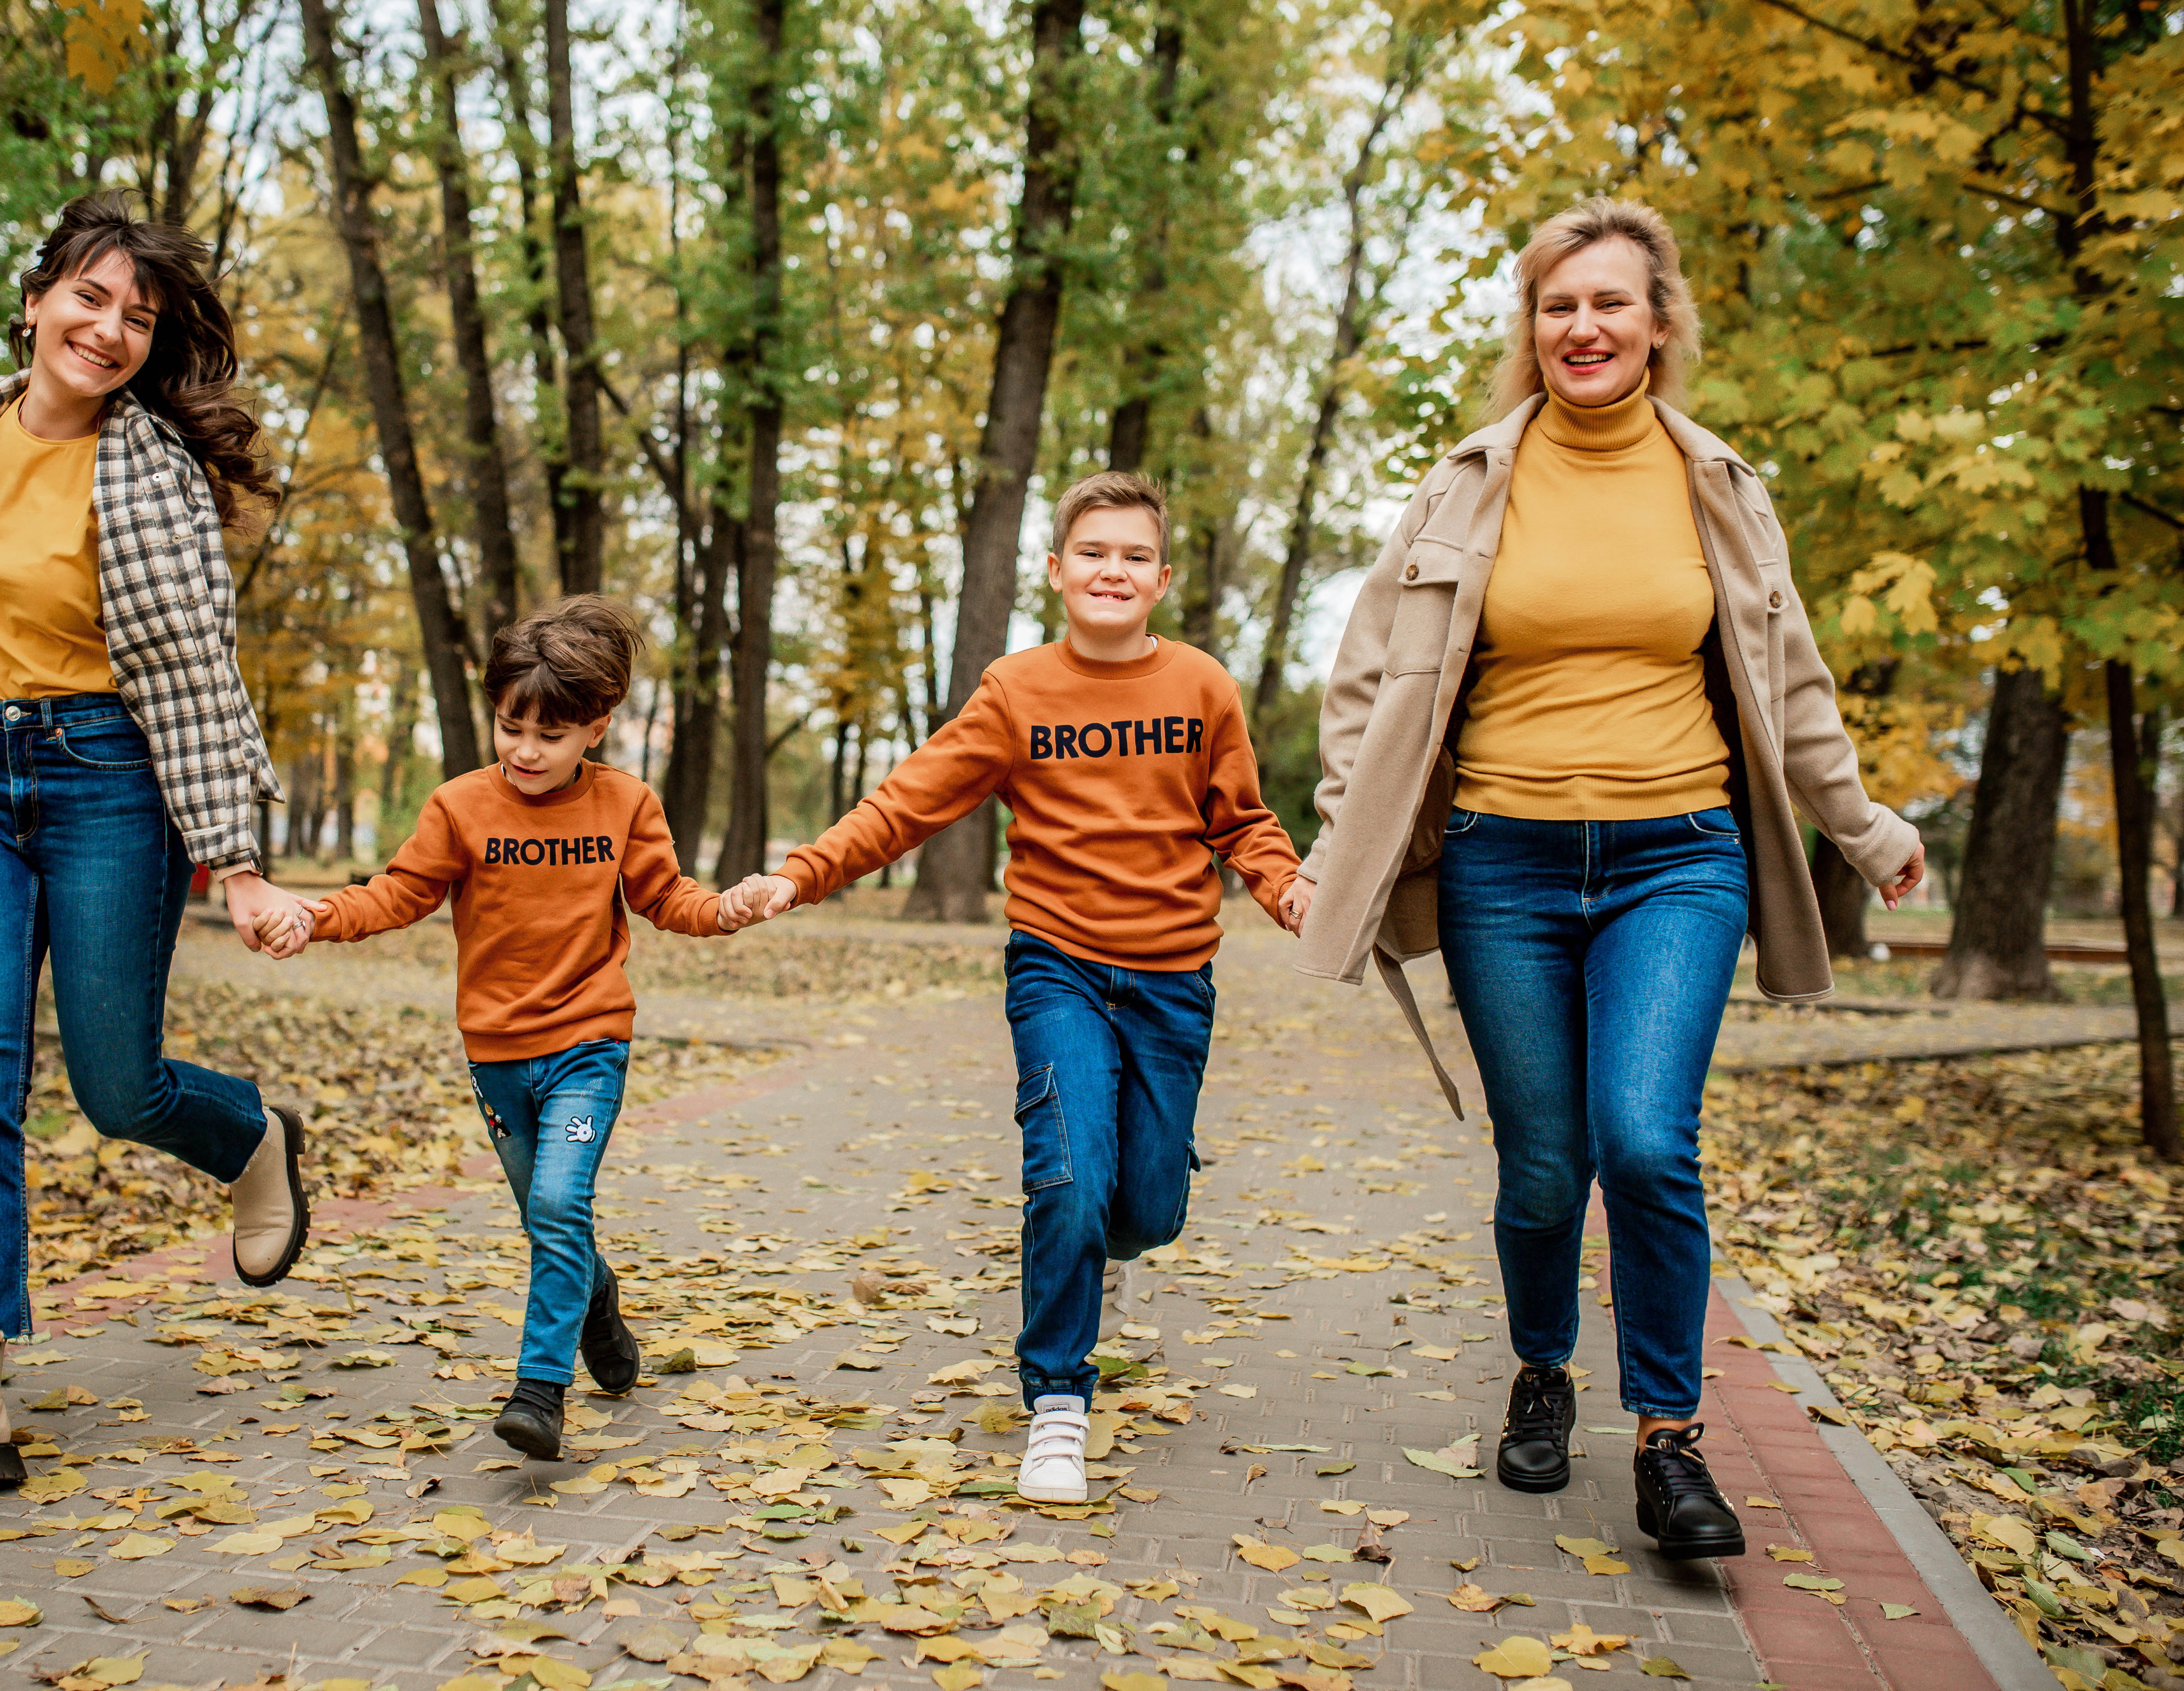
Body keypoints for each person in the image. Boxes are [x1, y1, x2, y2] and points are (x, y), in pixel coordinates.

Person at [1292, 197, 1926, 1559]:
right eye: (1557, 305)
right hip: (1501, 864)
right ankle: (1540, 1369)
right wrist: (1349, 829)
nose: (1583, 327)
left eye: (1610, 303)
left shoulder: (1718, 486)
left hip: (1677, 857)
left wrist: (1864, 827)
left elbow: (1789, 678)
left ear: (1659, 323)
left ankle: (1669, 1441)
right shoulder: (1468, 482)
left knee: (1646, 1141)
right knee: (1542, 1168)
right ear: (1534, 328)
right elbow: (1366, 682)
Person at [0, 192, 314, 1491]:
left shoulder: (153, 473)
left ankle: (254, 1137)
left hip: (113, 784)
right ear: (36, 300)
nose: (109, 330)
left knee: (114, 1086)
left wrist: (237, 861)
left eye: (138, 318)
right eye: (89, 299)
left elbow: (195, 671)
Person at [721, 472, 1307, 1507]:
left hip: (1174, 978)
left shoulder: (1203, 688)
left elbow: (1241, 822)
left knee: (1148, 1207)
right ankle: (1057, 1402)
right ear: (1055, 571)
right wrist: (799, 873)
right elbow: (908, 802)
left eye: (1133, 556)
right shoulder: (1017, 689)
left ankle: (1112, 1240)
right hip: (1058, 967)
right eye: (1092, 553)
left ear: (1161, 578)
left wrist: (1286, 885)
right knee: (1068, 1183)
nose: (1111, 571)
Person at [251, 596, 753, 1461]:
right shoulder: (461, 807)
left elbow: (668, 898)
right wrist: (315, 916)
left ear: (595, 728)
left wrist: (725, 908)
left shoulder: (627, 804)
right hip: (495, 1055)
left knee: (560, 1203)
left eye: (548, 735)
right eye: (508, 725)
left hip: (589, 1045)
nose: (523, 749)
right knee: (548, 1220)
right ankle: (599, 1306)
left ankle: (539, 1390)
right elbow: (397, 893)